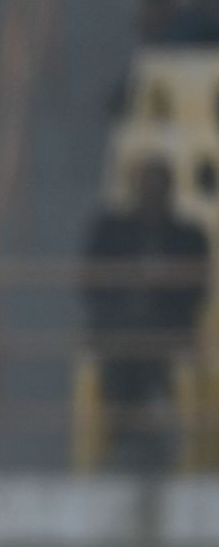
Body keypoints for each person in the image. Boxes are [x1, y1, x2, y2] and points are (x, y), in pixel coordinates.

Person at [81, 156, 209, 471]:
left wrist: (164, 282)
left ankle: (138, 432)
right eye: (146, 186)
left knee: (141, 342)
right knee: (126, 344)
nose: (151, 194)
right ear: (135, 189)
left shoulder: (190, 236)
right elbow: (89, 282)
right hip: (117, 327)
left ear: (170, 191)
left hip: (169, 327)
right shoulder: (109, 230)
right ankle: (138, 428)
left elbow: (197, 292)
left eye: (159, 187)